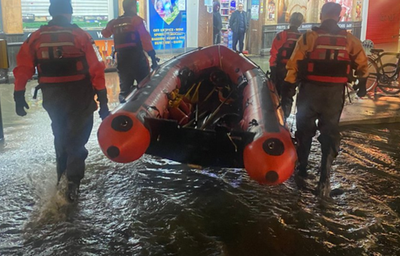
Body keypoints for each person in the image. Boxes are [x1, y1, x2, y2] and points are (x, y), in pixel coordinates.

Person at [13, 0, 110, 202]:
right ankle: (72, 185)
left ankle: (61, 179)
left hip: (52, 97)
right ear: (70, 13)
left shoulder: (36, 37)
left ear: (51, 12)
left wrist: (18, 95)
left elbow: (23, 67)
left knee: (60, 133)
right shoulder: (80, 36)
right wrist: (103, 102)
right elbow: (96, 69)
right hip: (79, 96)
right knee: (77, 140)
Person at [280, 2, 368, 197]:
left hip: (310, 92)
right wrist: (362, 82)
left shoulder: (309, 37)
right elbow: (362, 63)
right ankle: (324, 180)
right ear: (339, 17)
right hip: (334, 95)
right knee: (329, 134)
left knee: (304, 131)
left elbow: (294, 64)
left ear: (321, 15)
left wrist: (289, 86)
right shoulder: (349, 39)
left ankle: (301, 171)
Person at [102, 0, 159, 103]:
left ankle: (124, 108)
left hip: (122, 60)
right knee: (145, 87)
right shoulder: (137, 21)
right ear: (133, 7)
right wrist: (153, 58)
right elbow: (145, 40)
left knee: (124, 90)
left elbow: (105, 33)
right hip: (137, 60)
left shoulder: (114, 22)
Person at [269, 12, 303, 96]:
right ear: (301, 23)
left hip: (281, 68)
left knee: (276, 93)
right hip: (294, 71)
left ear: (290, 21)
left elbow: (274, 52)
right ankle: (286, 108)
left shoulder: (282, 35)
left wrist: (273, 67)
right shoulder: (303, 38)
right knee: (288, 95)